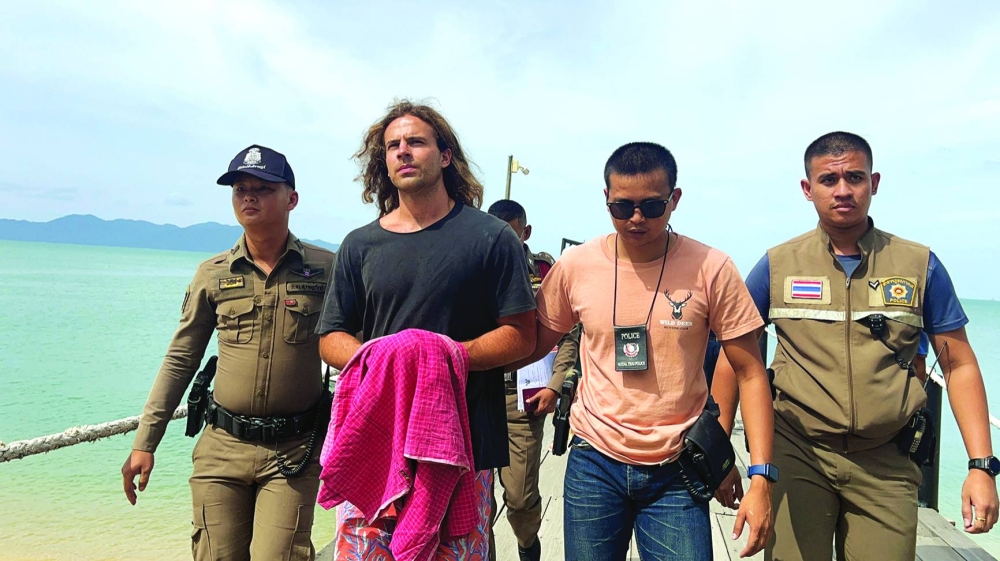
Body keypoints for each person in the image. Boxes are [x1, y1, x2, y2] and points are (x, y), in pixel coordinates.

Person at [713, 131, 999, 560]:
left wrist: (981, 466)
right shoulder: (777, 266)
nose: (843, 190)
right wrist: (720, 452)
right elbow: (736, 361)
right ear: (808, 190)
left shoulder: (919, 264)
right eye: (829, 180)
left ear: (875, 182)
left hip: (886, 460)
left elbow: (958, 365)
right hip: (797, 452)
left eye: (855, 177)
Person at [508, 141, 775, 560]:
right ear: (606, 200)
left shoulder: (712, 267)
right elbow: (531, 342)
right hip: (594, 461)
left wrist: (760, 477)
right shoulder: (576, 266)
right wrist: (453, 354)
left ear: (675, 200)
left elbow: (751, 372)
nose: (636, 219)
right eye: (622, 207)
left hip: (678, 468)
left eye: (652, 207)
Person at [315, 100, 537, 560]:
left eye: (416, 141)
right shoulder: (359, 245)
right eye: (393, 145)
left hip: (465, 446)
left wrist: (438, 355)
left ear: (445, 156)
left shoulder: (491, 238)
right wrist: (387, 358)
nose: (403, 152)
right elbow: (331, 337)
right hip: (375, 441)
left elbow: (522, 334)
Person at [121, 145, 335, 560]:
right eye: (240, 189)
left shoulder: (327, 269)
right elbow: (181, 358)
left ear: (291, 198)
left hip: (293, 451)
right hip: (222, 448)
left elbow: (358, 353)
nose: (249, 196)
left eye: (262, 187)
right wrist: (146, 441)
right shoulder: (213, 273)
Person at [485, 199, 561, 561]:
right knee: (475, 501)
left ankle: (528, 546)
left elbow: (568, 334)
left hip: (525, 398)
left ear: (525, 232)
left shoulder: (544, 271)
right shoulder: (471, 265)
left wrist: (557, 384)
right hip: (476, 395)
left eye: (509, 235)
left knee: (518, 497)